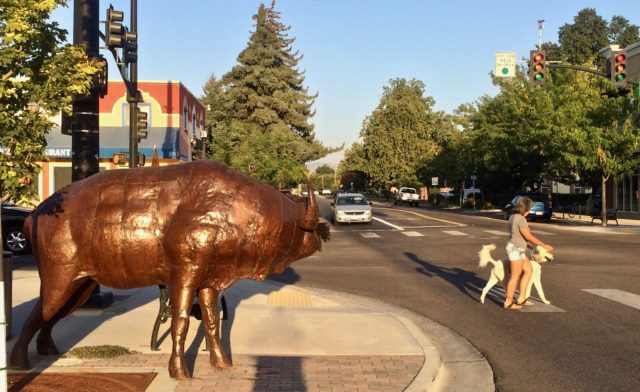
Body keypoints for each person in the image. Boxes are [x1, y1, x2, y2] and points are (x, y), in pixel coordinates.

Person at [504, 196, 554, 309]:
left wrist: (525, 244)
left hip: (517, 247)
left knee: (528, 270)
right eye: (529, 208)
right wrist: (543, 245)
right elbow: (527, 235)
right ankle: (508, 301)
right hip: (515, 250)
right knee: (515, 276)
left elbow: (515, 234)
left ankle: (521, 298)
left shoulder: (512, 216)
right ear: (524, 208)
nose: (530, 211)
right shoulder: (521, 219)